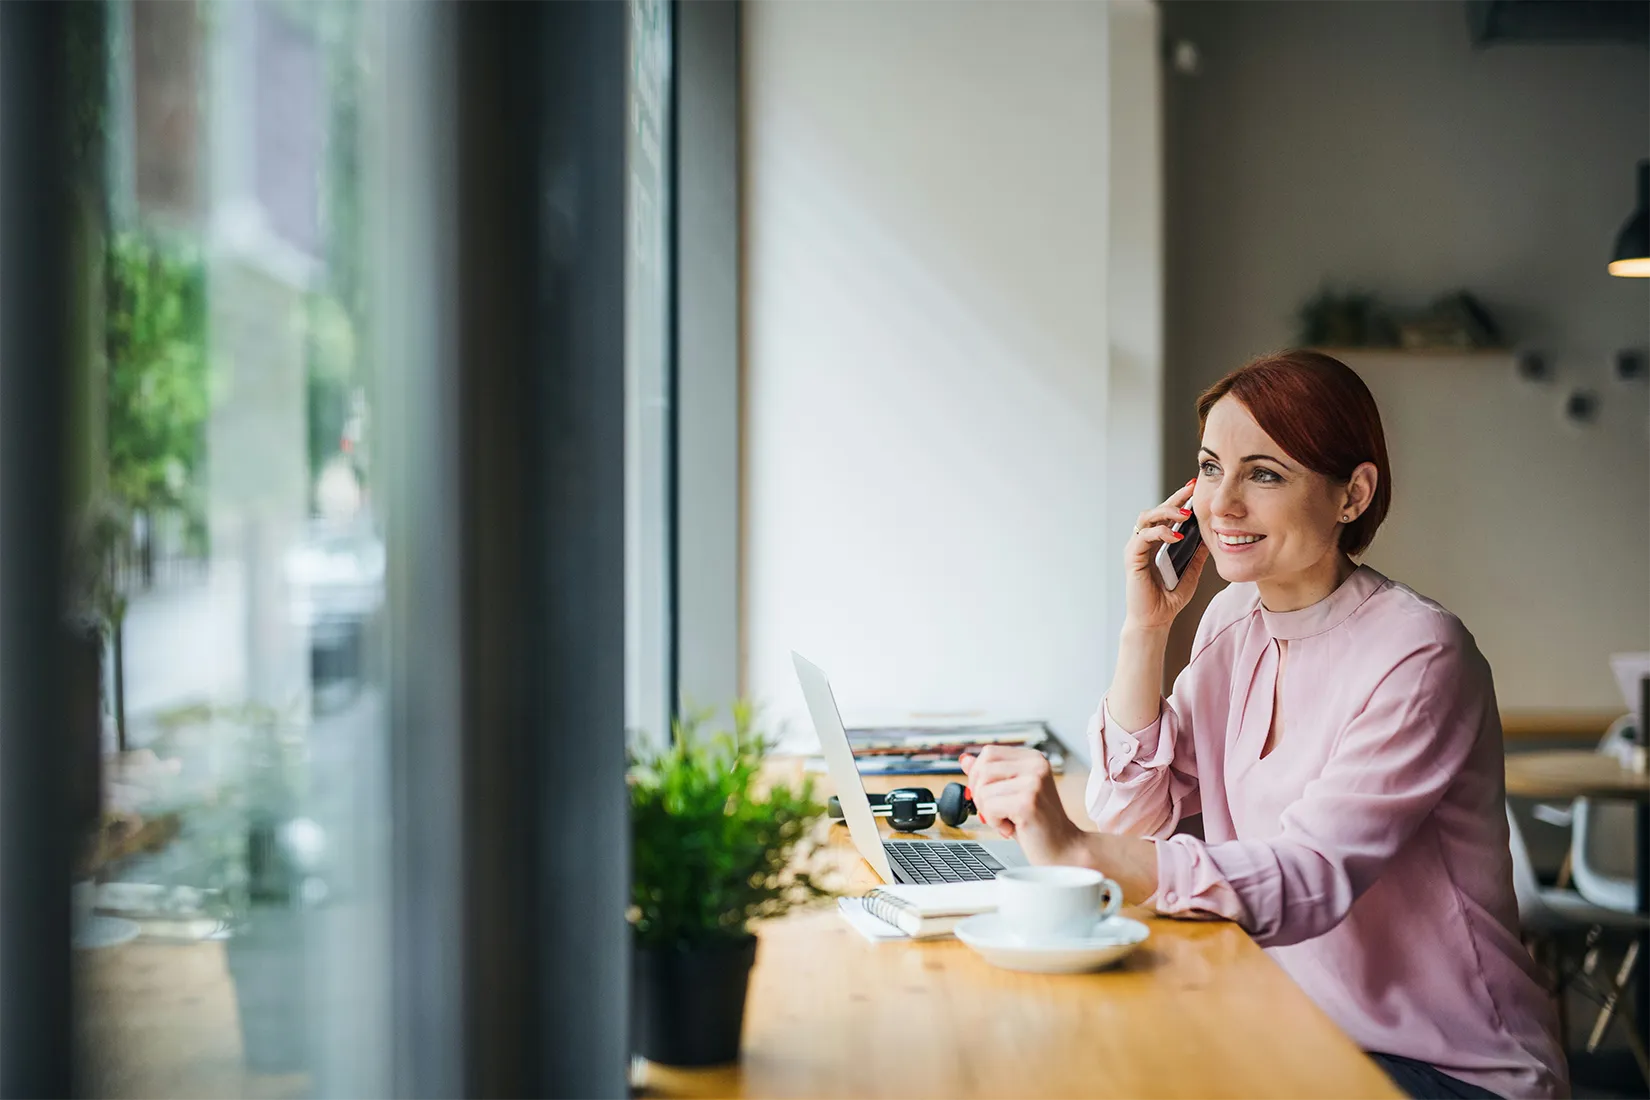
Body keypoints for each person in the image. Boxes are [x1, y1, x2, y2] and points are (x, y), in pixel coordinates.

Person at [960, 351, 1568, 1100]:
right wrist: (1145, 632)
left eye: (1265, 474)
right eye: (1211, 468)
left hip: (1448, 1068)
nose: (1222, 506)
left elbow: (1309, 878)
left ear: (1354, 494)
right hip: (1296, 1022)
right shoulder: (1231, 621)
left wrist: (1082, 850)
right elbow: (1132, 810)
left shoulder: (1419, 654)